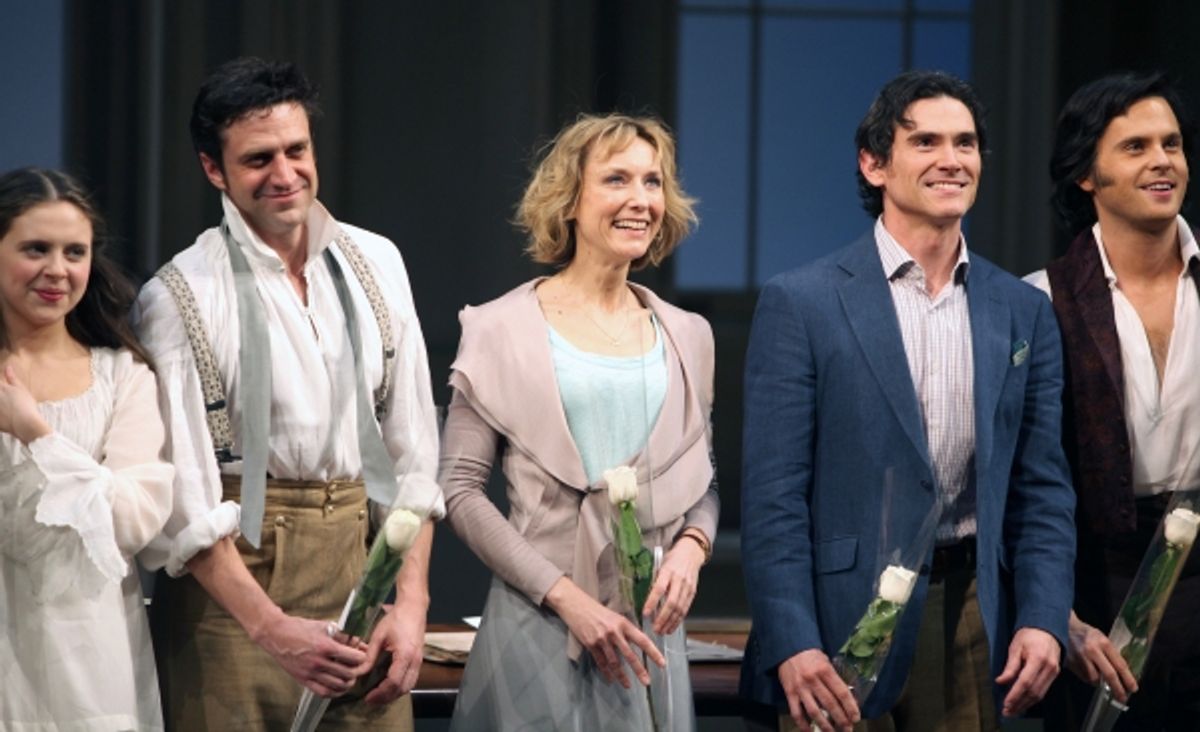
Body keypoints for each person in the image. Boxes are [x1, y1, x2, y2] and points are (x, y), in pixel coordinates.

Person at [739, 70, 1076, 731]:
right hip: (835, 621)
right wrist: (792, 640)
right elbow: (773, 499)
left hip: (973, 616)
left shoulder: (1022, 310)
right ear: (874, 163)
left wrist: (1041, 617)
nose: (951, 159)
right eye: (925, 142)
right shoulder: (801, 302)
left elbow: (1044, 490)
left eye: (966, 142)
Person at [132, 57, 443, 731]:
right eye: (257, 159)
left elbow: (413, 452)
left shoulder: (375, 262)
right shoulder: (179, 297)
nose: (285, 174)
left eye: (296, 150)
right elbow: (183, 498)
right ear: (214, 170)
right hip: (235, 598)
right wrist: (270, 628)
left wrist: (410, 605)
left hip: (361, 568)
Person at [440, 113, 718, 730]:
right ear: (570, 198)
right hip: (539, 625)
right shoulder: (500, 328)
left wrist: (692, 550)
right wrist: (567, 599)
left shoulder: (688, 335)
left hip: (648, 633)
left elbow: (700, 482)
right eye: (617, 179)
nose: (640, 200)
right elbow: (459, 490)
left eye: (653, 182)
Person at [1025, 71, 1200, 730]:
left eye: (1173, 143)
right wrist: (1054, 615)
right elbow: (1020, 479)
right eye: (1135, 147)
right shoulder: (1038, 300)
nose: (1163, 160)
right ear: (1086, 176)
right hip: (1098, 582)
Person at [0, 167, 174, 730]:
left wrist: (37, 435)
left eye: (75, 251)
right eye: (35, 249)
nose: (57, 270)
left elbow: (133, 517)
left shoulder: (123, 376)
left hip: (88, 653)